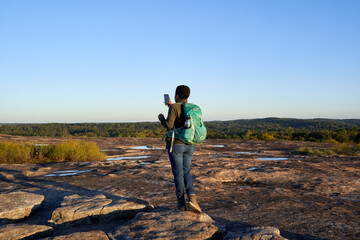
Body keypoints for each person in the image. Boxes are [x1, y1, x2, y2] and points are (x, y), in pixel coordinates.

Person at [158, 85, 202, 213]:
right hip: (189, 144)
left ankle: (181, 203)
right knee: (186, 171)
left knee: (178, 173)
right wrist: (171, 106)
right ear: (187, 96)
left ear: (177, 95)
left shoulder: (174, 107)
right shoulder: (191, 108)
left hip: (176, 144)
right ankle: (193, 200)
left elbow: (169, 125)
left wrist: (161, 118)